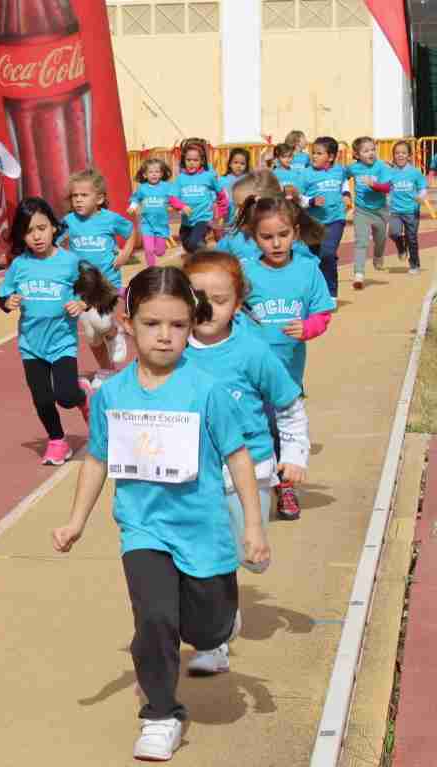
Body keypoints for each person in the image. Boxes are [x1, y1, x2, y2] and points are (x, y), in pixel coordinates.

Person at [51, 265, 269, 762]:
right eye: (152, 324)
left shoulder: (206, 390)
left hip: (205, 531)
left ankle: (220, 628)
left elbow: (238, 456)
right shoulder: (113, 393)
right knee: (154, 619)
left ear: (192, 325)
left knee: (207, 629)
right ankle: (160, 714)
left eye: (177, 325)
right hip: (144, 528)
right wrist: (76, 521)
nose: (165, 336)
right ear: (128, 322)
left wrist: (252, 527)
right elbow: (98, 458)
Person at [182, 251, 310, 673]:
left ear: (237, 304)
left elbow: (289, 405)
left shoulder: (252, 351)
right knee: (207, 560)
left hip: (251, 473)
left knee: (249, 559)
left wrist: (294, 456)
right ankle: (214, 641)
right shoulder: (173, 350)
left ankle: (249, 557)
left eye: (219, 299)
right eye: (196, 296)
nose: (207, 307)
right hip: (196, 476)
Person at [239, 195, 335, 520]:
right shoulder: (245, 272)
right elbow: (226, 306)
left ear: (295, 231)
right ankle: (251, 487)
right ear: (254, 237)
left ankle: (285, 486)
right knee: (256, 428)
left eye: (283, 235)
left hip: (289, 373)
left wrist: (308, 327)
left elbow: (323, 313)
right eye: (267, 237)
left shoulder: (308, 270)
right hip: (249, 372)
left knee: (281, 430)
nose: (276, 243)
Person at [0, 197, 108, 465]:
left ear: (54, 228)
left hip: (62, 344)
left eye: (42, 228)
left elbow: (96, 290)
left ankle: (82, 395)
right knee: (42, 398)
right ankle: (57, 441)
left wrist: (81, 303)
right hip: (31, 345)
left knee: (65, 396)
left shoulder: (70, 262)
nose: (36, 236)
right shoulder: (19, 266)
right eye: (28, 231)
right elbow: (3, 296)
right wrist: (7, 303)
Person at [61, 169, 137, 388]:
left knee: (101, 322)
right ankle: (107, 371)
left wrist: (125, 253)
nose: (78, 200)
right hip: (80, 285)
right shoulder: (69, 221)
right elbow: (54, 240)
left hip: (107, 282)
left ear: (100, 199)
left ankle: (114, 331)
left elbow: (131, 231)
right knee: (92, 335)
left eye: (84, 195)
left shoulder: (110, 219)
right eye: (75, 196)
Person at [297, 136, 348, 298]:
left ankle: (331, 293)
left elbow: (344, 181)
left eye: (319, 153)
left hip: (335, 219)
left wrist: (346, 194)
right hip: (313, 223)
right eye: (313, 153)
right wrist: (311, 202)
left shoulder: (339, 170)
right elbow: (298, 198)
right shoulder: (306, 174)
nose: (314, 156)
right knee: (313, 259)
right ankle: (314, 291)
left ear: (331, 157)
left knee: (327, 253)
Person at [346, 136, 393, 290]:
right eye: (366, 151)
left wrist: (373, 184)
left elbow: (387, 188)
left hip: (380, 210)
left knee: (380, 239)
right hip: (361, 210)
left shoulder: (381, 167)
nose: (371, 153)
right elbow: (341, 176)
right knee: (361, 241)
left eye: (373, 149)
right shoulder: (354, 168)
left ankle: (378, 256)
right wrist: (344, 194)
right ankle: (358, 275)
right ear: (357, 154)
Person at [169, 140, 227, 255]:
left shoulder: (208, 176)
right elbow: (172, 197)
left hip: (203, 219)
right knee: (188, 245)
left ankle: (205, 259)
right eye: (188, 160)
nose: (191, 163)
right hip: (186, 221)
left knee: (193, 243)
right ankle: (203, 254)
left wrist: (220, 212)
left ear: (201, 161)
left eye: (195, 160)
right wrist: (181, 206)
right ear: (183, 160)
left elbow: (221, 195)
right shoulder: (180, 178)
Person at [386, 140, 427, 275]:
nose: (400, 156)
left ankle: (414, 264)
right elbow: (385, 188)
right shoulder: (390, 173)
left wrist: (421, 196)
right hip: (395, 211)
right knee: (393, 233)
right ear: (393, 156)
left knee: (412, 238)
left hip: (411, 211)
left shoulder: (415, 172)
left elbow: (422, 187)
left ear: (409, 156)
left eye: (403, 153)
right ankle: (401, 247)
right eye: (397, 153)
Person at [128, 158, 175, 267]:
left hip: (161, 225)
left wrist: (179, 207)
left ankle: (159, 248)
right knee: (148, 250)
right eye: (151, 172)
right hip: (146, 225)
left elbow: (174, 198)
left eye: (157, 172)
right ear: (145, 175)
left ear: (162, 173)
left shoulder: (166, 186)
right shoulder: (142, 188)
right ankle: (151, 269)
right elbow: (136, 198)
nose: (154, 175)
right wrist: (133, 206)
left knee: (160, 252)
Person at [217, 148, 250, 229]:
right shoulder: (222, 180)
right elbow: (216, 196)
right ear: (230, 164)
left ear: (246, 166)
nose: (238, 166)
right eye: (235, 162)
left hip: (244, 216)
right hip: (227, 216)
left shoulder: (248, 180)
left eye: (242, 163)